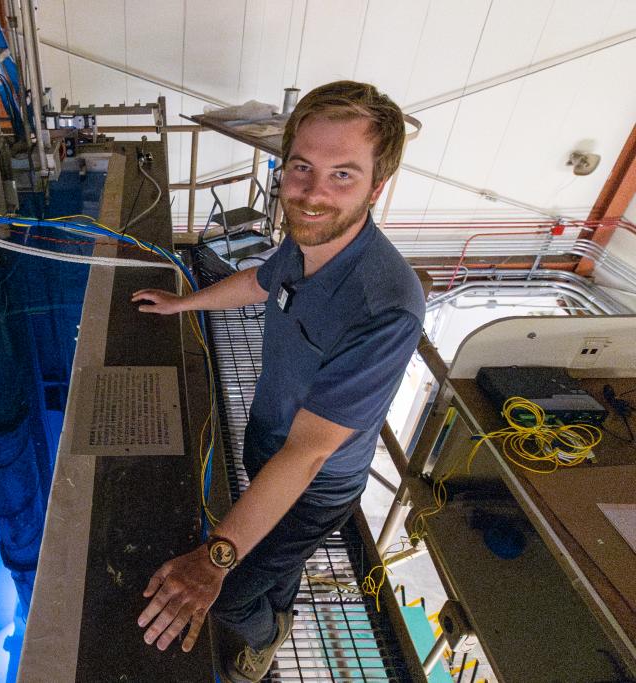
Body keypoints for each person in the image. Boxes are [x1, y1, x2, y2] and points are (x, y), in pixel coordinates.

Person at [130, 80, 425, 683]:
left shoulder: (384, 307)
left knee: (235, 595)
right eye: (301, 167)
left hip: (315, 484)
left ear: (378, 185)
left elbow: (310, 450)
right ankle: (280, 592)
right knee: (272, 562)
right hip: (265, 440)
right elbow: (264, 281)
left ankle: (269, 634)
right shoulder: (309, 242)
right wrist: (182, 304)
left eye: (343, 174)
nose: (313, 192)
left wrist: (214, 560)